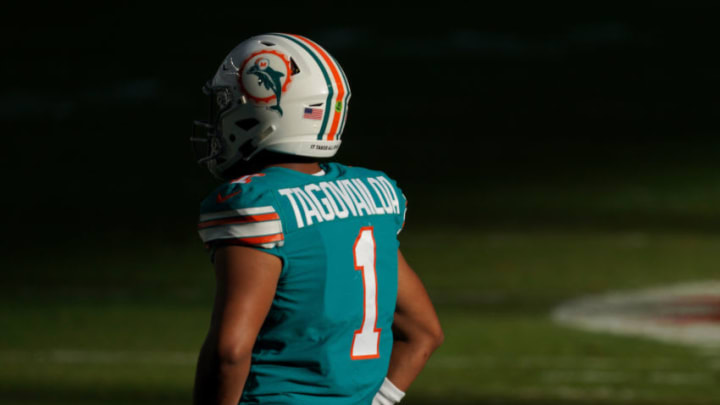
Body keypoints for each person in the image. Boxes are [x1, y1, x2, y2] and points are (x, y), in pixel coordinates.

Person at [190, 33, 443, 405]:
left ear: (265, 108)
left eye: (228, 102)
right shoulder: (373, 192)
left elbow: (230, 351)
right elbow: (424, 332)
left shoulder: (256, 202)